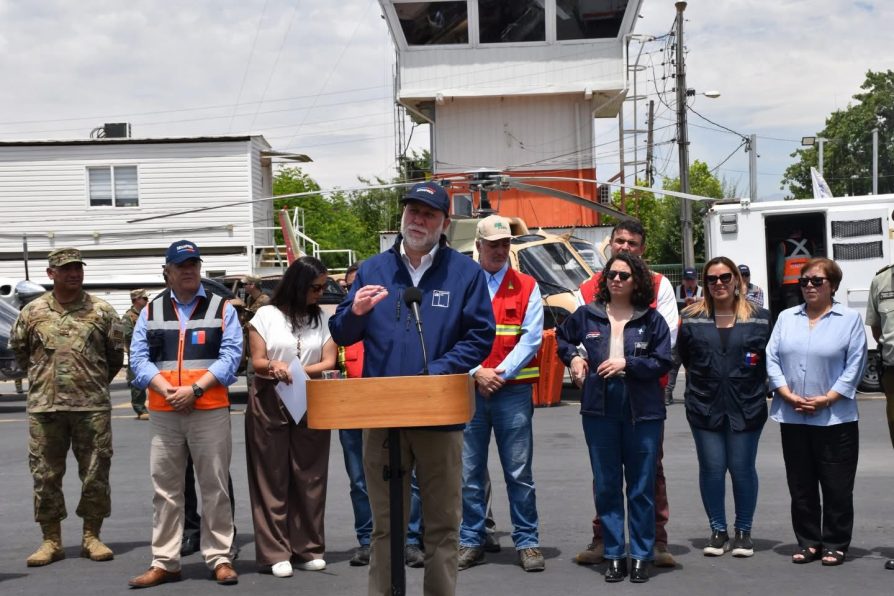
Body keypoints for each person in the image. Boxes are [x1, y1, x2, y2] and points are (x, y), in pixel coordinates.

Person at [329, 181, 495, 596]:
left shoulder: (466, 273)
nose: (418, 220)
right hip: (382, 415)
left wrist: (436, 372)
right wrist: (357, 311)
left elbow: (479, 336)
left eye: (428, 214)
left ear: (445, 222)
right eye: (412, 212)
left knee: (442, 524)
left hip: (439, 414)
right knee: (386, 526)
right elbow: (342, 333)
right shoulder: (372, 270)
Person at [127, 240, 243, 588]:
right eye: (181, 265)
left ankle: (220, 557)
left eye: (194, 263)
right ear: (167, 272)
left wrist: (194, 390)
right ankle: (165, 561)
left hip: (208, 408)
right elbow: (138, 359)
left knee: (215, 487)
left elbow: (231, 355)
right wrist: (167, 391)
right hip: (165, 411)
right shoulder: (150, 311)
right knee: (166, 490)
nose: (189, 269)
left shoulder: (222, 308)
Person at [557, 252, 672, 583]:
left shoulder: (652, 321)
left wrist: (628, 364)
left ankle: (641, 554)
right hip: (599, 410)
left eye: (624, 275)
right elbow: (564, 338)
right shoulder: (587, 315)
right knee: (606, 484)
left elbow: (663, 361)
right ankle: (614, 553)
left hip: (644, 412)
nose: (616, 279)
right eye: (612, 274)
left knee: (641, 486)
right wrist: (574, 360)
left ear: (637, 281)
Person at [10, 247, 124, 567]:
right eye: (66, 269)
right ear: (51, 274)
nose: (74, 273)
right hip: (45, 408)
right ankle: (51, 540)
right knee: (44, 475)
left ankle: (92, 536)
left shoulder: (102, 311)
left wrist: (91, 382)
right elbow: (20, 351)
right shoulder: (32, 312)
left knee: (95, 474)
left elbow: (115, 356)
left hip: (91, 408)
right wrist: (44, 380)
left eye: (78, 268)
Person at [575, 219, 679, 568]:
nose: (625, 248)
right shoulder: (588, 287)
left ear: (642, 249)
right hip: (601, 398)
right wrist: (575, 358)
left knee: (649, 475)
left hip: (645, 397)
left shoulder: (660, 286)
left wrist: (629, 364)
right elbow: (575, 334)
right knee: (604, 477)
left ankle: (654, 542)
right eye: (619, 241)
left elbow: (666, 341)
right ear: (610, 243)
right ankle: (606, 542)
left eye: (632, 243)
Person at [458, 215, 545, 573]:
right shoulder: (461, 285)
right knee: (469, 473)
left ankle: (527, 542)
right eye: (493, 244)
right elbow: (447, 338)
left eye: (505, 244)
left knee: (519, 472)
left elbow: (532, 337)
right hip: (470, 390)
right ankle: (471, 539)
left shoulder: (527, 284)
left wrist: (499, 373)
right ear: (477, 246)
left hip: (512, 393)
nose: (499, 250)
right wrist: (477, 372)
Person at [766, 257, 866, 567]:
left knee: (836, 485)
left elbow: (855, 365)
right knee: (800, 483)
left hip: (836, 418)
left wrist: (827, 399)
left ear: (833, 286)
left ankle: (835, 542)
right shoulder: (786, 317)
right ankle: (809, 541)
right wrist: (785, 393)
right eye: (804, 281)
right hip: (793, 414)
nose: (809, 285)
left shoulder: (849, 319)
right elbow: (771, 357)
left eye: (817, 281)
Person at [245, 256, 337, 578]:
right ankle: (276, 551)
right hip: (270, 396)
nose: (320, 294)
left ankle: (308, 547)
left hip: (308, 396)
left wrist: (298, 372)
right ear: (298, 285)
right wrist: (275, 367)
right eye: (315, 288)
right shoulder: (265, 315)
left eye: (323, 288)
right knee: (271, 476)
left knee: (310, 476)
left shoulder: (320, 318)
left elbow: (329, 360)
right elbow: (257, 359)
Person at [677, 257, 772, 558]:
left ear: (737, 281)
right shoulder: (691, 318)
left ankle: (743, 532)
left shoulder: (761, 318)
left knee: (742, 469)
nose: (718, 283)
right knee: (713, 470)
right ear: (704, 283)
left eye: (725, 277)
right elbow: (684, 358)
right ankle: (718, 530)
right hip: (705, 407)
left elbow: (773, 360)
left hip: (747, 406)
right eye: (711, 279)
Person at [665, 267, 703, 405]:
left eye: (692, 280)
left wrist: (696, 299)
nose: (689, 283)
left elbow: (711, 301)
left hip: (696, 334)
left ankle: (691, 395)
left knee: (693, 366)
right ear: (683, 280)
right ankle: (667, 394)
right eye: (687, 280)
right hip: (678, 332)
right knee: (673, 364)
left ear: (696, 279)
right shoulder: (674, 291)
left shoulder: (701, 292)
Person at [122, 288, 150, 420]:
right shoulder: (128, 317)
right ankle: (140, 409)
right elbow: (126, 335)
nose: (147, 300)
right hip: (136, 353)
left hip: (151, 351)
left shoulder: (148, 314)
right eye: (144, 298)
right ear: (136, 300)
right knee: (137, 381)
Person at [775, 227, 814, 308]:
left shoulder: (783, 245)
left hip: (790, 285)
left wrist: (779, 284)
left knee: (793, 310)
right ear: (800, 232)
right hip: (808, 282)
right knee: (809, 308)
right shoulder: (811, 243)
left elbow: (779, 269)